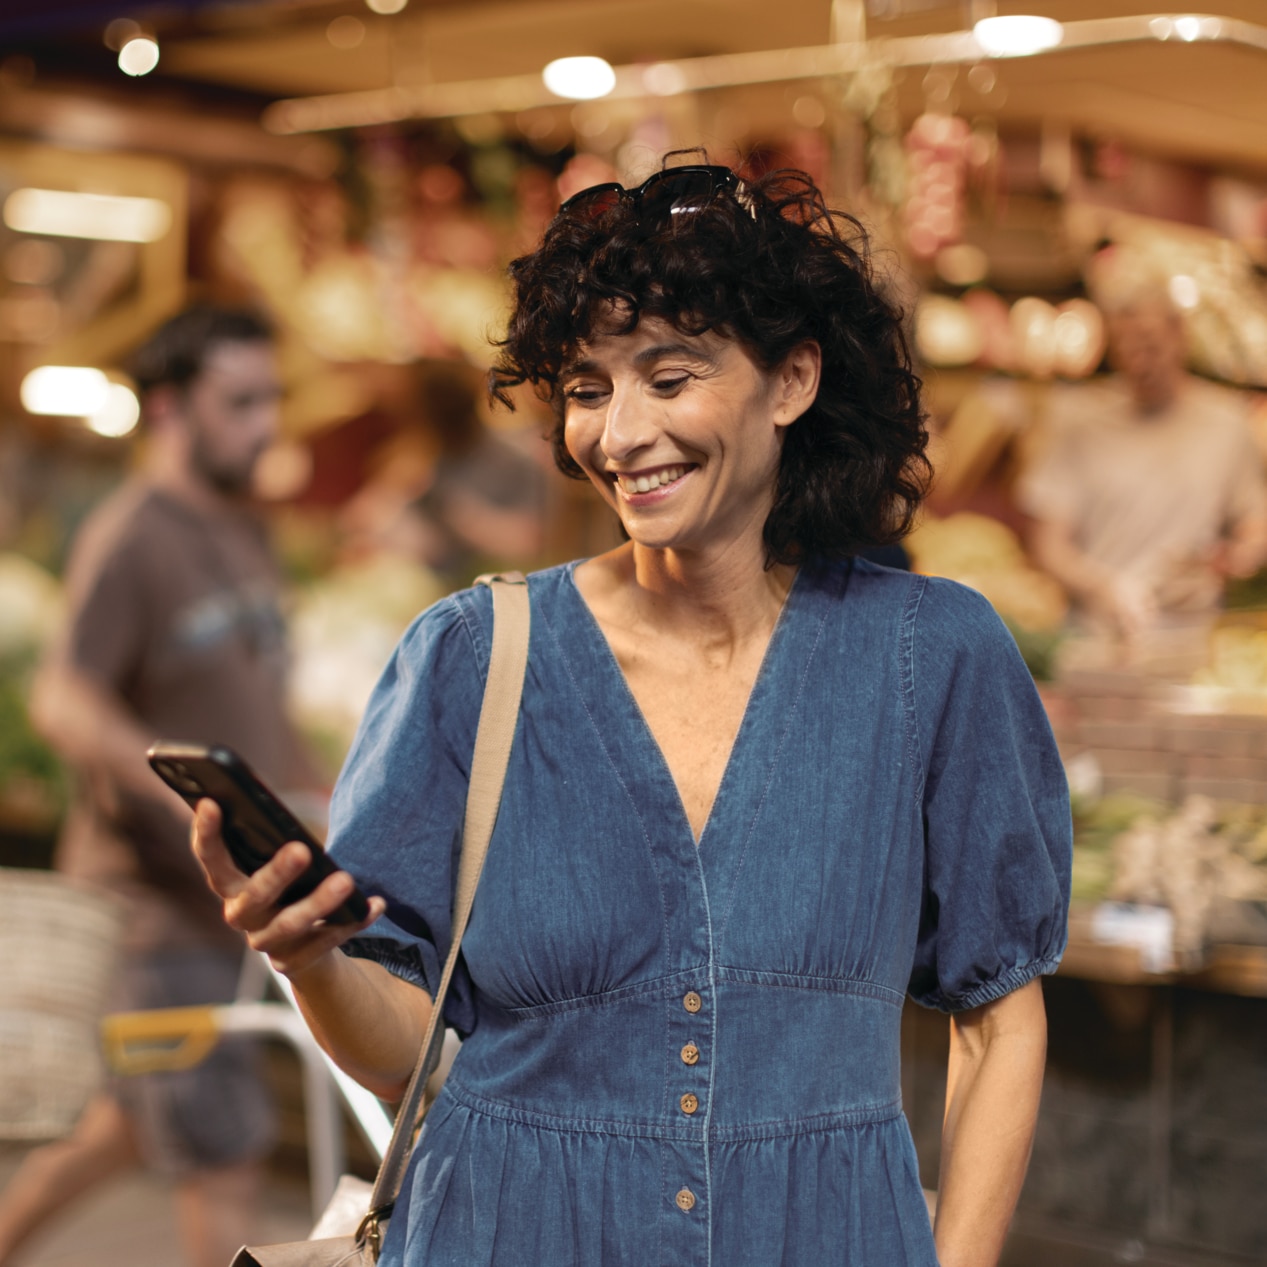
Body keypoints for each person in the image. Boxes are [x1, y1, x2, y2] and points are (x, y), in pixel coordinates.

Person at [193, 165, 1071, 1266]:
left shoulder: (929, 657)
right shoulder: (472, 657)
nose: (619, 434)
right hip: (504, 1230)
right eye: (587, 387)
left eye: (669, 376)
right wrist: (310, 956)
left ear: (792, 378)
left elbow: (998, 1021)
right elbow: (406, 1047)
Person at [0, 306, 321, 1267]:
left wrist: (320, 788)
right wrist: (181, 786)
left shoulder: (241, 528)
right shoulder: (131, 534)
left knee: (122, 1130)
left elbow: (256, 696)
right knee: (224, 1155)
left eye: (271, 397)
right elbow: (61, 694)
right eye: (240, 402)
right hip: (156, 914)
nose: (265, 423)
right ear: (172, 408)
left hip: (225, 899)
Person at [1019, 280, 1267, 643]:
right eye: (1126, 347)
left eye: (1151, 346)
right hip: (1097, 636)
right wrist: (1102, 587)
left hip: (1194, 637)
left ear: (1180, 336)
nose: (1140, 363)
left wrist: (1236, 558)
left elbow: (1254, 522)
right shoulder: (1080, 423)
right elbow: (1048, 544)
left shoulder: (1227, 424)